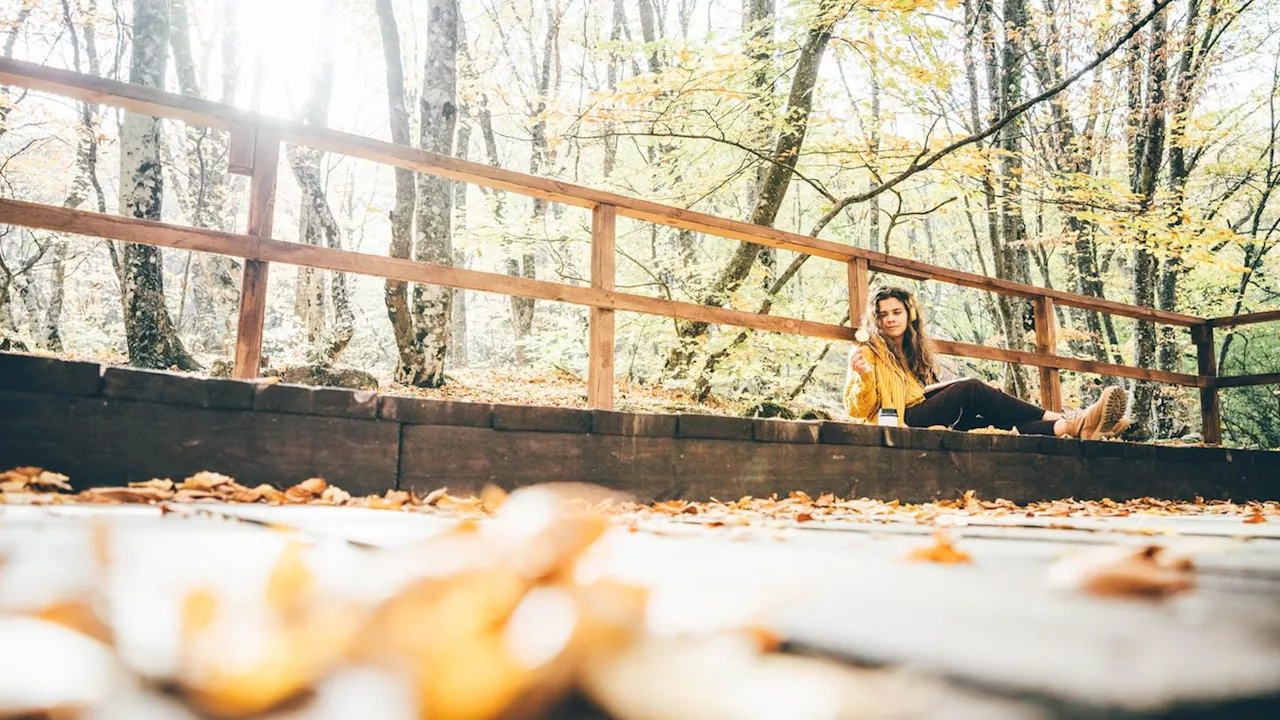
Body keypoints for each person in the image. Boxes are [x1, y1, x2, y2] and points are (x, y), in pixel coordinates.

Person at [845, 286, 1130, 439]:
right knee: (971, 388)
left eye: (896, 312)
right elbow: (857, 410)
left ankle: (1072, 428)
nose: (890, 319)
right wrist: (864, 375)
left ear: (910, 316)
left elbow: (928, 392)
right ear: (876, 319)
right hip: (899, 419)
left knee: (988, 418)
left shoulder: (915, 351)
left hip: (922, 412)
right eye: (883, 315)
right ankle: (1070, 418)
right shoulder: (869, 351)